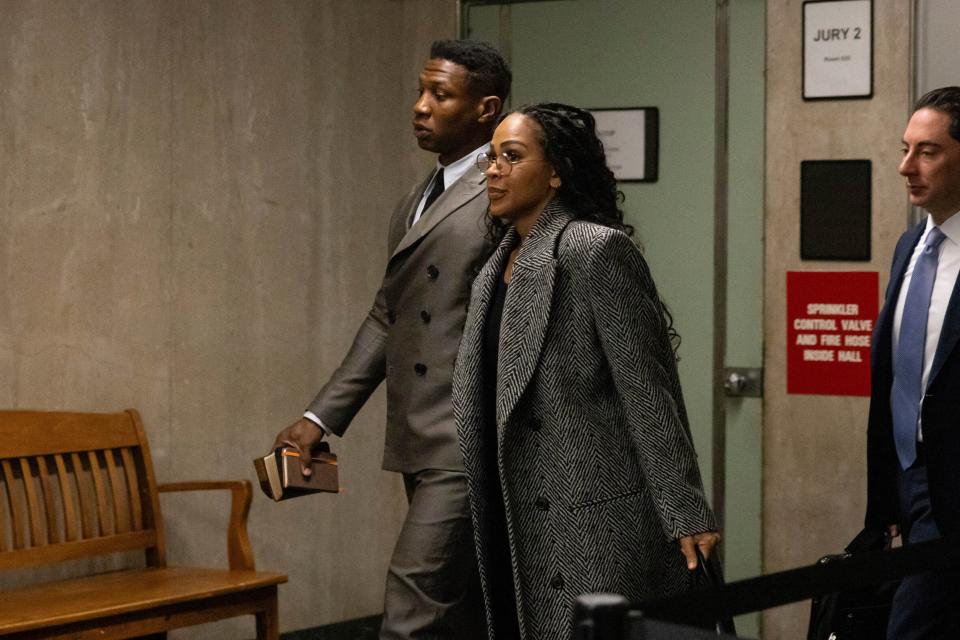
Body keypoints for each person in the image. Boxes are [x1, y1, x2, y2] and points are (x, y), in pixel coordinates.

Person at [270, 40, 511, 639]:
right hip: (418, 430)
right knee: (464, 610)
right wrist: (319, 416)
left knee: (412, 604)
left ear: (486, 108)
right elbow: (388, 316)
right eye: (421, 91)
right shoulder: (417, 199)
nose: (420, 107)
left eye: (440, 94)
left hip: (469, 436)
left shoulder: (505, 190)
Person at [451, 103, 719, 639]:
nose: (494, 170)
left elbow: (648, 391)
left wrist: (685, 508)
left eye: (512, 156)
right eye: (492, 157)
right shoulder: (491, 271)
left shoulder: (594, 251)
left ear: (556, 172)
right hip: (510, 514)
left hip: (590, 515)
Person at [866, 86, 960, 639]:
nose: (906, 166)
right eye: (905, 149)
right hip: (908, 478)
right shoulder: (910, 247)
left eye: (927, 152)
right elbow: (897, 379)